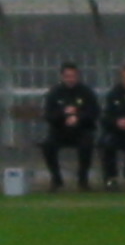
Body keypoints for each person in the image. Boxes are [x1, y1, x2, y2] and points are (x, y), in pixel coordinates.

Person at [40, 62, 100, 191]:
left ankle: (83, 180)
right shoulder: (54, 92)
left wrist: (78, 117)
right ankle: (56, 179)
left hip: (82, 131)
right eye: (67, 76)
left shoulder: (86, 92)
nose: (70, 79)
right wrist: (63, 114)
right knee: (47, 145)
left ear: (77, 76)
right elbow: (48, 115)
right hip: (59, 131)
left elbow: (94, 112)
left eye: (73, 76)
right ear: (62, 77)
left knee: (87, 144)